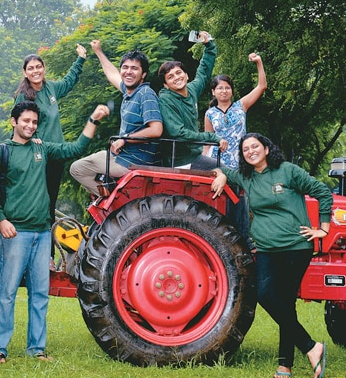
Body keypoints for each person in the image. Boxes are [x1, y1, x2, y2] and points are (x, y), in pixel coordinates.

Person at [0, 101, 109, 364]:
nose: (30, 126)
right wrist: (1, 222)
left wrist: (94, 119)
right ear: (13, 121)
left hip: (42, 233)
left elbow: (75, 148)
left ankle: (36, 348)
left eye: (34, 122)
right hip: (14, 233)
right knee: (7, 291)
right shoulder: (0, 152)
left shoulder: (42, 149)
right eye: (25, 121)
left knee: (40, 293)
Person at [210, 133, 330, 378]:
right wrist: (222, 174)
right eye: (245, 149)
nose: (251, 151)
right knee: (266, 295)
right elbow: (217, 167)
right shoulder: (246, 177)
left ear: (266, 148)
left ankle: (284, 366)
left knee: (284, 302)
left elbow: (323, 193)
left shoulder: (288, 171)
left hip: (295, 247)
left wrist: (323, 229)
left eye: (255, 146)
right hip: (266, 249)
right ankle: (311, 347)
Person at [14, 45, 86, 266]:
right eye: (31, 68)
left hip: (56, 157)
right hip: (37, 157)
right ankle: (28, 253)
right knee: (35, 204)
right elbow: (17, 125)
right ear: (25, 72)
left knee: (49, 203)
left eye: (39, 66)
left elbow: (69, 82)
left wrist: (80, 59)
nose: (36, 71)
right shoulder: (24, 96)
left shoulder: (51, 89)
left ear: (44, 69)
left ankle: (47, 257)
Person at [70, 40, 163, 196]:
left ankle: (115, 200)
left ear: (143, 74)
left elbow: (156, 129)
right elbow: (111, 74)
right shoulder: (130, 92)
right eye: (125, 68)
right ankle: (109, 195)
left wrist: (124, 139)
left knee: (77, 169)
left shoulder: (145, 94)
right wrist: (98, 51)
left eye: (134, 68)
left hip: (133, 161)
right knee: (82, 167)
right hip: (122, 156)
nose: (128, 72)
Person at [202, 52, 267, 249]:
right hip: (218, 163)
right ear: (213, 92)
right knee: (220, 200)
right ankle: (220, 240)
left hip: (239, 162)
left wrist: (259, 62)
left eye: (227, 87)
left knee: (239, 199)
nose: (224, 91)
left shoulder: (241, 106)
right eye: (219, 88)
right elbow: (208, 140)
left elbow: (261, 86)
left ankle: (245, 241)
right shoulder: (210, 113)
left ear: (232, 90)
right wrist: (204, 162)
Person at [157, 30, 228, 170]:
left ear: (186, 75)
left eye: (178, 73)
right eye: (170, 77)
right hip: (178, 161)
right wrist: (212, 137)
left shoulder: (191, 90)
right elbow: (178, 133)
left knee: (227, 174)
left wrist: (208, 46)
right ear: (166, 84)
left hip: (194, 155)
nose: (176, 77)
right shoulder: (165, 100)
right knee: (225, 173)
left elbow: (204, 73)